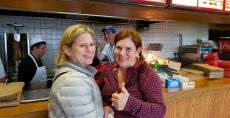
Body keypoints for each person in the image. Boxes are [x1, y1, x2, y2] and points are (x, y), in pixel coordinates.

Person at [98, 29, 166, 118]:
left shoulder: (146, 73)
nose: (121, 53)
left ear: (137, 52)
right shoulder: (108, 69)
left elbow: (159, 111)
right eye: (118, 48)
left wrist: (129, 103)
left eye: (128, 49)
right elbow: (97, 94)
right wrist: (105, 105)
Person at [48, 24, 104, 118]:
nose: (90, 50)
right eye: (83, 45)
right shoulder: (73, 81)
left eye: (91, 44)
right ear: (67, 50)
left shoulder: (79, 75)